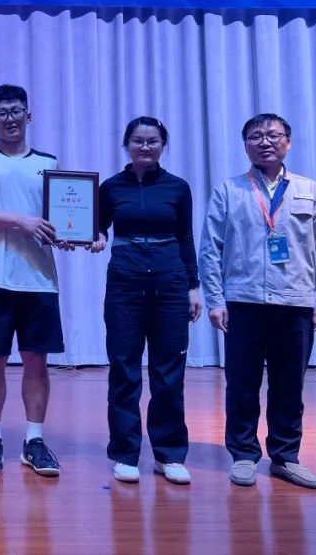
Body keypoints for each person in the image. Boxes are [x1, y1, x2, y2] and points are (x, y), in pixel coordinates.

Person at [200, 113, 316, 489]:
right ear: (245, 144)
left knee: (289, 386)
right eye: (255, 136)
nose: (264, 141)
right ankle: (244, 455)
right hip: (243, 302)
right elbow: (210, 249)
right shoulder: (229, 191)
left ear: (288, 143)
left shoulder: (310, 190)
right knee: (241, 384)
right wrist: (215, 299)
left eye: (273, 135)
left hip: (295, 302)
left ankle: (285, 456)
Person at [0, 84, 68, 479]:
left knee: (37, 360)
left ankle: (34, 441)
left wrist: (75, 235)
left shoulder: (49, 162)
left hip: (39, 278)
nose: (10, 118)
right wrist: (20, 221)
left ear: (29, 116)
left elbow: (64, 216)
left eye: (16, 111)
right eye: (2, 113)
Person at [92, 117, 202, 485]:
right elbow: (97, 226)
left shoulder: (177, 187)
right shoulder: (111, 187)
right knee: (124, 368)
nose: (145, 147)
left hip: (170, 283)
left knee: (168, 371)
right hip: (125, 284)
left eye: (152, 141)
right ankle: (125, 454)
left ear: (162, 145)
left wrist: (193, 287)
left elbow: (186, 237)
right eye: (138, 141)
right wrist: (96, 237)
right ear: (127, 145)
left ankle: (169, 455)